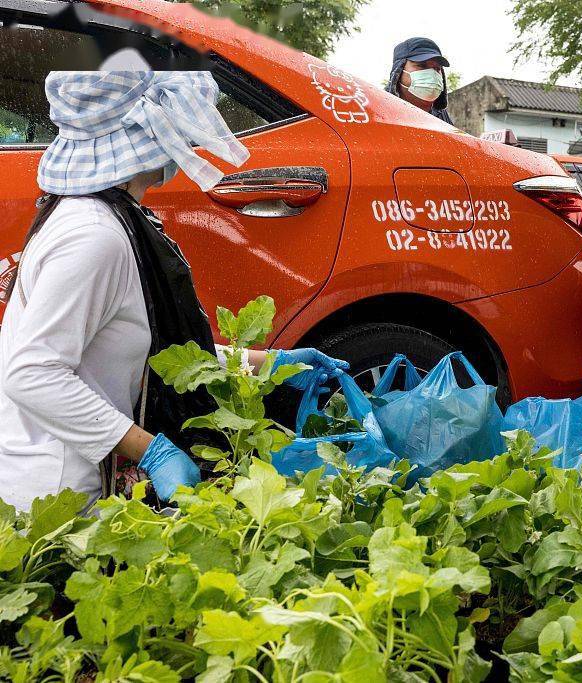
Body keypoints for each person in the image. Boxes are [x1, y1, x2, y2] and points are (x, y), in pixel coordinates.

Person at [0, 67, 347, 512]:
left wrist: (270, 364)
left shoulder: (107, 219)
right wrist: (152, 451)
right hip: (57, 497)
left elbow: (145, 350)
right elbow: (31, 374)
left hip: (73, 483)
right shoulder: (93, 236)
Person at [385, 37, 452, 123]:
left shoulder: (441, 115)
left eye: (437, 68)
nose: (432, 75)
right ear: (399, 70)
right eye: (422, 65)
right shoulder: (378, 108)